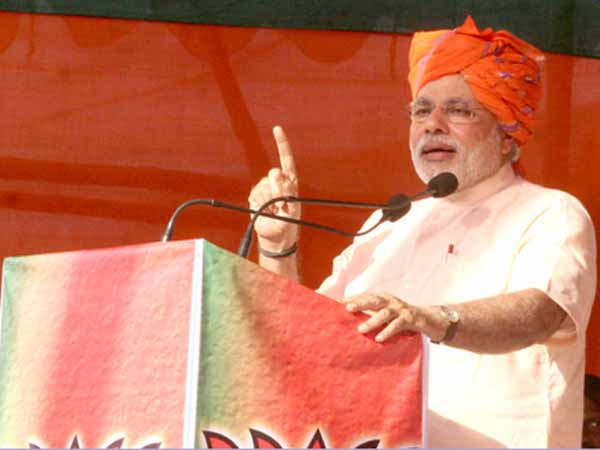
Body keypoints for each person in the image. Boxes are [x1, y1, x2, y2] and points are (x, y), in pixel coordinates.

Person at [248, 17, 597, 448]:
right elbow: (300, 340)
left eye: (458, 110)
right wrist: (277, 248)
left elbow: (539, 313)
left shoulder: (550, 212)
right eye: (421, 110)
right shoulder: (390, 222)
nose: (433, 124)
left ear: (508, 136)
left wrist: (430, 319)